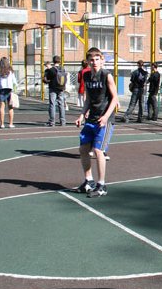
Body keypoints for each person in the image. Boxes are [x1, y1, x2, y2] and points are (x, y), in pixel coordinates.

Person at [74, 47, 119, 198]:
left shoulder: (107, 75)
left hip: (104, 120)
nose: (94, 62)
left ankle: (102, 185)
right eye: (91, 60)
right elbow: (88, 99)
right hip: (91, 119)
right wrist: (81, 115)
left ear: (102, 60)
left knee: (98, 151)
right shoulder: (86, 76)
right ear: (87, 61)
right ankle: (89, 181)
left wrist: (106, 116)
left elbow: (115, 98)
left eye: (97, 59)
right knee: (83, 149)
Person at [43, 55, 67, 126]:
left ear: (53, 61)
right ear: (59, 61)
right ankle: (62, 121)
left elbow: (46, 79)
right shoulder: (62, 69)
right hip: (61, 88)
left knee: (52, 104)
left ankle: (52, 121)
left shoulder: (51, 70)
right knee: (61, 104)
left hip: (53, 88)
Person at [0, 57, 17, 129]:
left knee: (2, 107)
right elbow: (14, 81)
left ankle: (2, 124)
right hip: (9, 89)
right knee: (10, 107)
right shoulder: (10, 71)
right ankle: (10, 124)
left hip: (2, 89)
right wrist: (15, 87)